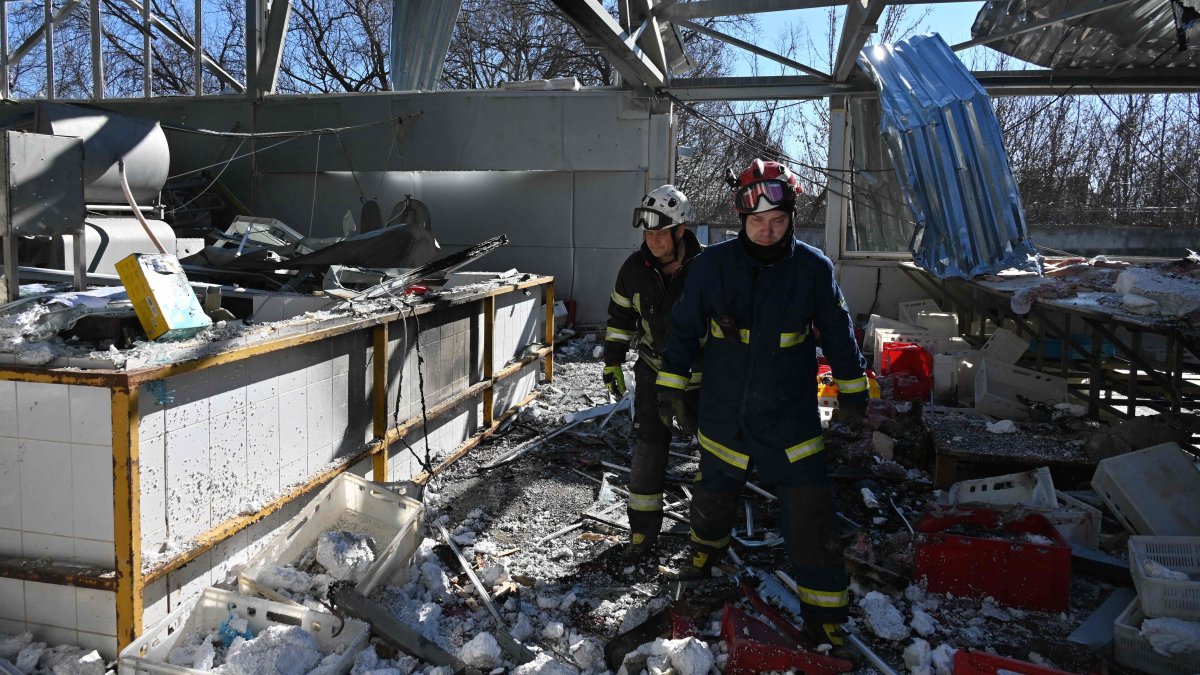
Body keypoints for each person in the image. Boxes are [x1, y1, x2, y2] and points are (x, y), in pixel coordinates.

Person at [654, 159, 868, 647]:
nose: (767, 232)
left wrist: (854, 394)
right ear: (740, 218)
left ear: (792, 216)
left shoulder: (813, 268)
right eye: (756, 222)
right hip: (724, 409)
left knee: (810, 507)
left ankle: (825, 609)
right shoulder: (711, 266)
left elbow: (837, 333)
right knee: (713, 490)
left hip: (790, 414)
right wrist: (671, 386)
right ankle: (705, 554)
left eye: (777, 221)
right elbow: (684, 329)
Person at [603, 184, 704, 562]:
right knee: (648, 449)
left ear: (681, 231)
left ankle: (703, 536)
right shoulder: (634, 269)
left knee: (711, 455)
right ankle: (642, 532)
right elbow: (619, 319)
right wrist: (612, 360)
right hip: (653, 372)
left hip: (700, 379)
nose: (653, 240)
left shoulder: (706, 269)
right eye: (648, 232)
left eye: (661, 232)